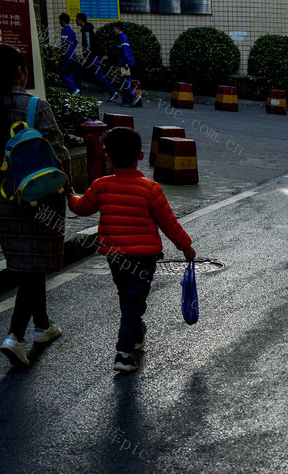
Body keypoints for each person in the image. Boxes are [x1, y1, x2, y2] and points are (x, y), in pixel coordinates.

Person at [68, 127, 196, 372]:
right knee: (134, 302)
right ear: (140, 155)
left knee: (128, 298)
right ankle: (123, 353)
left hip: (115, 257)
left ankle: (136, 335)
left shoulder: (101, 186)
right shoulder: (150, 189)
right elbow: (169, 224)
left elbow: (82, 208)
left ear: (108, 157)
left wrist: (69, 195)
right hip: (143, 258)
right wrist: (186, 247)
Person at [0, 44, 70, 368]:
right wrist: (68, 189)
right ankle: (15, 335)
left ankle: (43, 325)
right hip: (40, 200)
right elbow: (61, 156)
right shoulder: (36, 106)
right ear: (19, 72)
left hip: (5, 201)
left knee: (29, 263)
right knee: (34, 264)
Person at [76, 13, 119, 101]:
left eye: (77, 19)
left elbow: (88, 45)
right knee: (83, 71)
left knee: (98, 75)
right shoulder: (88, 29)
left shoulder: (86, 30)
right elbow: (96, 43)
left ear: (81, 20)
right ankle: (76, 90)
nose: (76, 21)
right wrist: (102, 54)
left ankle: (113, 92)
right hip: (93, 56)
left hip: (91, 57)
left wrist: (86, 58)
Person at [112, 23, 139, 106]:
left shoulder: (123, 38)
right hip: (124, 63)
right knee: (126, 80)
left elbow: (126, 50)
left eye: (114, 29)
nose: (113, 31)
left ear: (118, 28)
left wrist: (126, 62)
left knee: (124, 81)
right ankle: (127, 100)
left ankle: (134, 96)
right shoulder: (122, 38)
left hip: (125, 64)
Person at [58, 13, 81, 94]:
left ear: (63, 21)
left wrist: (59, 50)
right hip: (73, 55)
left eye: (60, 21)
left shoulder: (64, 30)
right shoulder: (72, 32)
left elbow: (64, 44)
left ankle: (74, 89)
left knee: (62, 74)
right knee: (70, 74)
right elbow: (75, 42)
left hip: (66, 56)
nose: (60, 22)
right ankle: (72, 92)